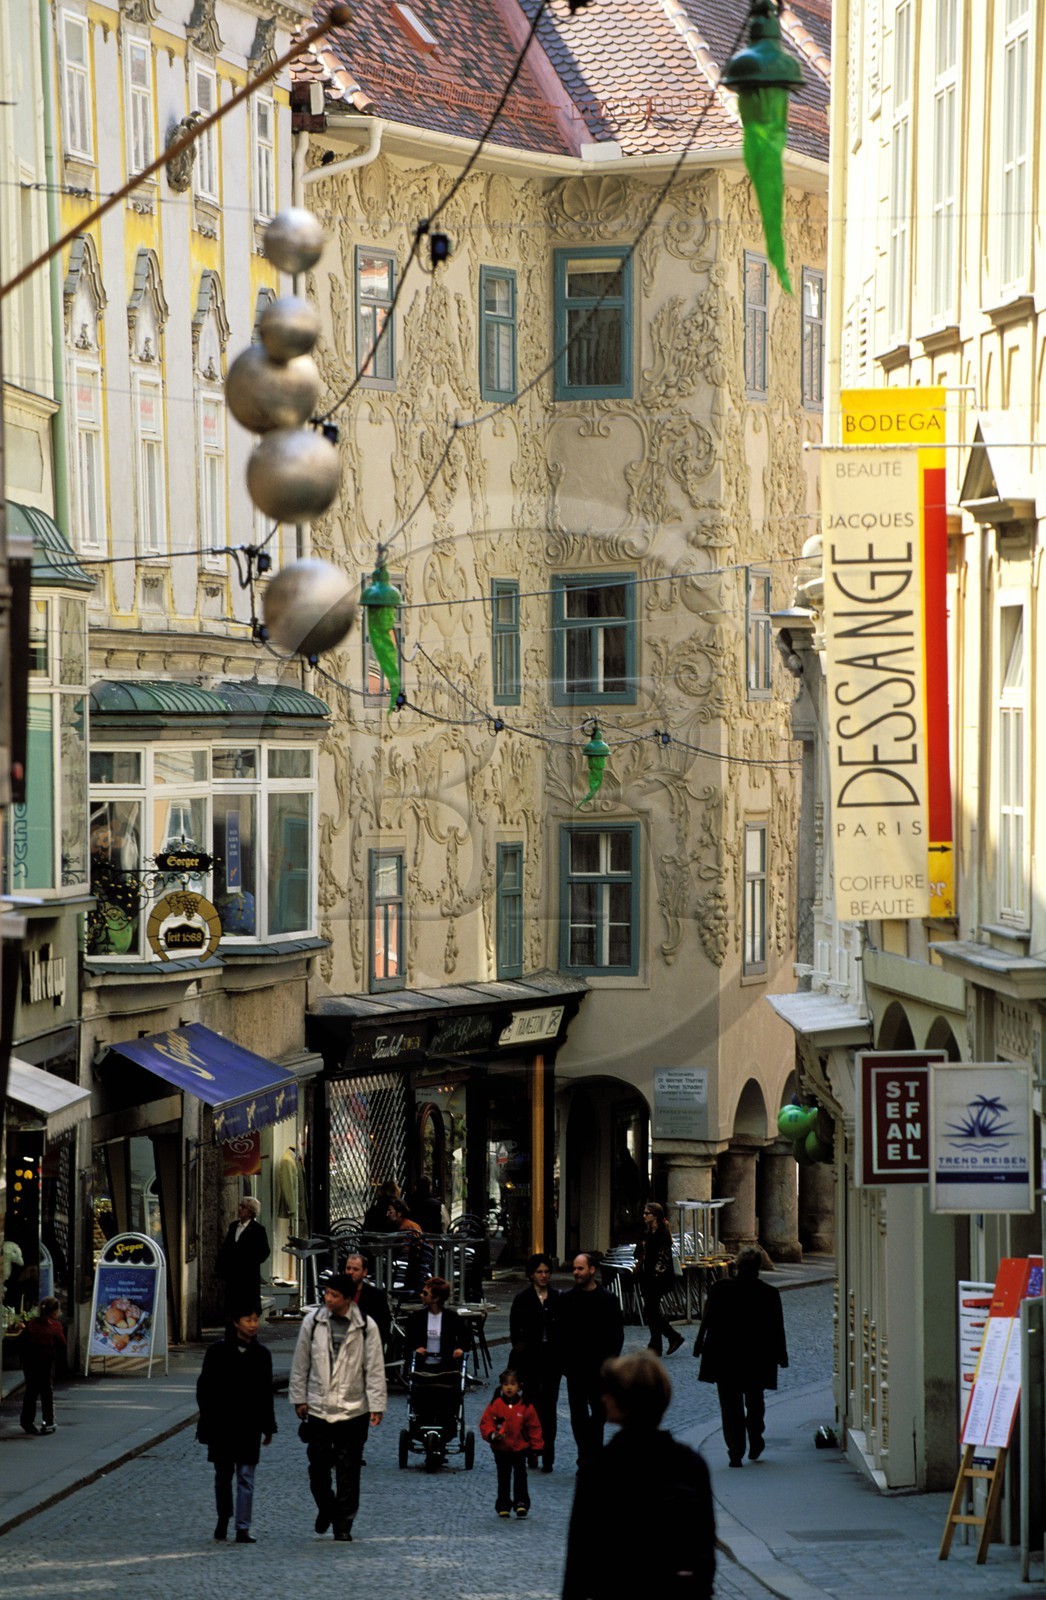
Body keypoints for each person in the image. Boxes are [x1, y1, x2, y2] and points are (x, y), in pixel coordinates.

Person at [562, 1352, 715, 1600]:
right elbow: (705, 1553)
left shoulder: (600, 1469)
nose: (603, 1397)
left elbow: (580, 1559)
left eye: (609, 1391)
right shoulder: (689, 1463)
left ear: (622, 1401)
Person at [289, 1273, 387, 1542]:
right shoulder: (313, 1322)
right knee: (318, 1466)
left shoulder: (366, 1326)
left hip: (353, 1407)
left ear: (348, 1299)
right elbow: (301, 1362)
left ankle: (344, 1522)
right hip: (319, 1406)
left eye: (334, 1295)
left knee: (348, 1468)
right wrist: (300, 1398)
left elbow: (375, 1368)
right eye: (327, 1293)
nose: (327, 1299)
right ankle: (327, 1507)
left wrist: (377, 1404)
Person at [693, 1243, 788, 1467]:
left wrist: (699, 1345)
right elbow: (777, 1328)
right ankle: (755, 1436)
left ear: (737, 1266)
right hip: (756, 1356)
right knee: (755, 1401)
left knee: (730, 1405)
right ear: (758, 1267)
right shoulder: (769, 1293)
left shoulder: (720, 1288)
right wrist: (781, 1355)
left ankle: (735, 1450)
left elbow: (706, 1319)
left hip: (725, 1356)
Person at [196, 1306, 276, 1543]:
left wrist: (268, 1425)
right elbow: (205, 1389)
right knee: (223, 1475)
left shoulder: (261, 1354)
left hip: (249, 1425)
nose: (253, 1324)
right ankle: (224, 1517)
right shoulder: (217, 1352)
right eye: (248, 1319)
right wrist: (208, 1419)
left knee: (246, 1476)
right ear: (235, 1322)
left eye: (256, 1319)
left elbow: (265, 1392)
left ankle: (243, 1527)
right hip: (221, 1424)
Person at [556, 1253, 624, 1468]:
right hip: (576, 1368)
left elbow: (616, 1335)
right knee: (578, 1415)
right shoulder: (566, 1299)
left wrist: (610, 1363)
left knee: (599, 1412)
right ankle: (586, 1455)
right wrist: (565, 1363)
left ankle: (592, 1451)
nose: (576, 1272)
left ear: (592, 1270)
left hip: (600, 1368)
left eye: (580, 1269)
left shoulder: (608, 1300)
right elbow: (560, 1333)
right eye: (574, 1269)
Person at [509, 1252, 562, 1471]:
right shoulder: (523, 1299)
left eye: (547, 1272)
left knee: (549, 1407)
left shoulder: (557, 1297)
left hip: (551, 1359)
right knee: (530, 1405)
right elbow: (515, 1331)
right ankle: (531, 1449)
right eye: (539, 1272)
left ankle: (547, 1453)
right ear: (531, 1275)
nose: (543, 1276)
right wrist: (521, 1349)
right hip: (529, 1360)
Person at [403, 1276, 472, 1443]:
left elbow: (465, 1338)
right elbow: (408, 1342)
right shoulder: (417, 1318)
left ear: (435, 1298)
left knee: (447, 1397)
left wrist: (460, 1349)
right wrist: (415, 1349)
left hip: (445, 1366)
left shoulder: (451, 1317)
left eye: (425, 1293)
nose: (422, 1295)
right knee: (422, 1397)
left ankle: (446, 1429)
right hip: (423, 1368)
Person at [479, 1367, 544, 1518]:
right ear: (501, 1386)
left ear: (519, 1387)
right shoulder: (495, 1405)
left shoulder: (526, 1407)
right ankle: (503, 1503)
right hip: (501, 1448)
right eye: (506, 1384)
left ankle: (521, 1502)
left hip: (519, 1447)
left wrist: (536, 1446)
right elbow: (486, 1422)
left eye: (513, 1384)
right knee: (503, 1477)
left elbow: (534, 1427)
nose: (509, 1387)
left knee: (521, 1475)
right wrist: (491, 1434)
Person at [635, 1202, 684, 1357]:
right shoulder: (648, 1232)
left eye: (647, 1213)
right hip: (648, 1276)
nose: (644, 1216)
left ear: (655, 1216)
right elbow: (639, 1253)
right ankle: (658, 1345)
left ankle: (670, 1338)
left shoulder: (663, 1233)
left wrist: (656, 1277)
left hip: (659, 1278)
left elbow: (663, 1259)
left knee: (650, 1309)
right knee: (651, 1310)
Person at [12, 1297, 66, 1436]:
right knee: (46, 1391)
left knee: (31, 1391)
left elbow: (21, 1342)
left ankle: (27, 1422)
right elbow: (61, 1344)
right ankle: (48, 1421)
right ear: (54, 1312)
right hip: (45, 1362)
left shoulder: (31, 1324)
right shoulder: (55, 1326)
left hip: (29, 1362)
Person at [216, 1196, 270, 1318]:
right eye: (240, 1205)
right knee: (232, 1309)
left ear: (251, 1212)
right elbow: (226, 1248)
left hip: (248, 1277)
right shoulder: (234, 1226)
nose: (240, 1209)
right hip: (233, 1276)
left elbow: (264, 1251)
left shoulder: (258, 1230)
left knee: (247, 1310)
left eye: (243, 1207)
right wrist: (222, 1268)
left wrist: (250, 1262)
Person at [341, 1250, 391, 1350]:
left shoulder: (377, 1296)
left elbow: (383, 1328)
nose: (350, 1272)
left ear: (364, 1272)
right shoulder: (337, 1294)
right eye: (348, 1268)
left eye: (355, 1269)